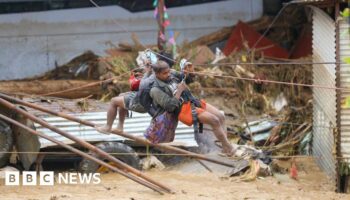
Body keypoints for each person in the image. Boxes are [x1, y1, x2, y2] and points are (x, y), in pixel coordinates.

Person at [145, 60, 235, 156]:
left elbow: (187, 79)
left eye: (169, 71)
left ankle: (223, 144)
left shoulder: (171, 74)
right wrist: (179, 91)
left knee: (220, 116)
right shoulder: (155, 90)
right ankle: (227, 148)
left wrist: (189, 73)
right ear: (157, 74)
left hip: (192, 100)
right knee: (214, 120)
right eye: (165, 73)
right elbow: (170, 107)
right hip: (182, 110)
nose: (168, 74)